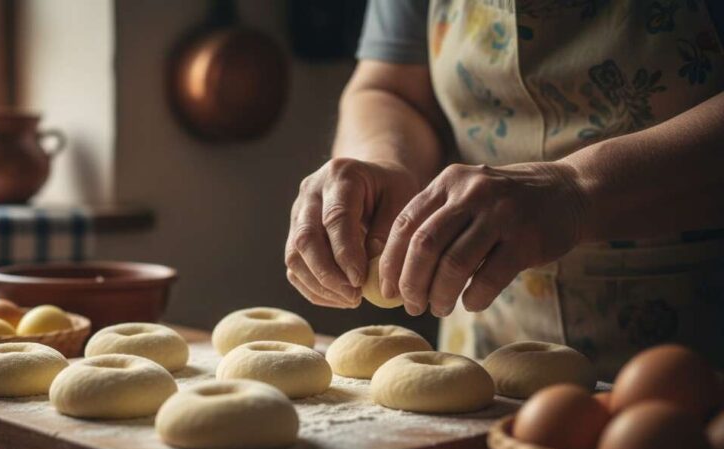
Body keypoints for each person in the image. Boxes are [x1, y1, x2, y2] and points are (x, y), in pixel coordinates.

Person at [286, 0, 724, 379]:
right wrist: (382, 158)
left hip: (697, 354)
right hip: (483, 341)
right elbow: (390, 88)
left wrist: (576, 191)